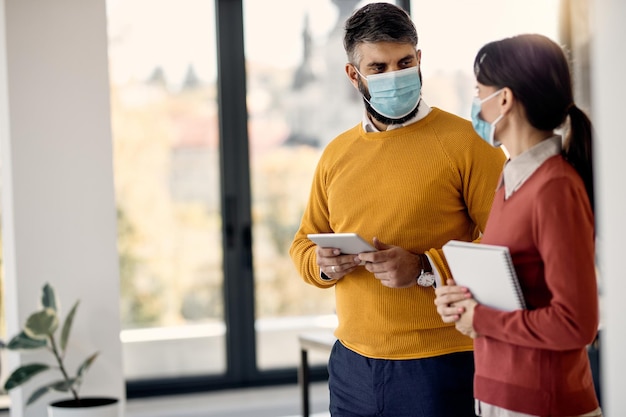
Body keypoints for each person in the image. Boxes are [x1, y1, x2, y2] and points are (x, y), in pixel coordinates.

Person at [289, 3, 506, 416]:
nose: (395, 76)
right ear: (354, 75)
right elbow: (303, 242)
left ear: (420, 60)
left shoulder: (466, 142)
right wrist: (322, 265)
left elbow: (506, 244)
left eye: (405, 62)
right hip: (351, 364)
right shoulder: (337, 154)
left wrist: (425, 267)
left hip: (441, 364)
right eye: (379, 67)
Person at [434, 33, 602, 417]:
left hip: (543, 401)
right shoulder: (511, 177)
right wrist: (464, 306)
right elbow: (518, 288)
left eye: (480, 92)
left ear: (505, 99)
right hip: (498, 393)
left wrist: (483, 318)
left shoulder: (555, 186)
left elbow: (577, 324)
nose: (476, 105)